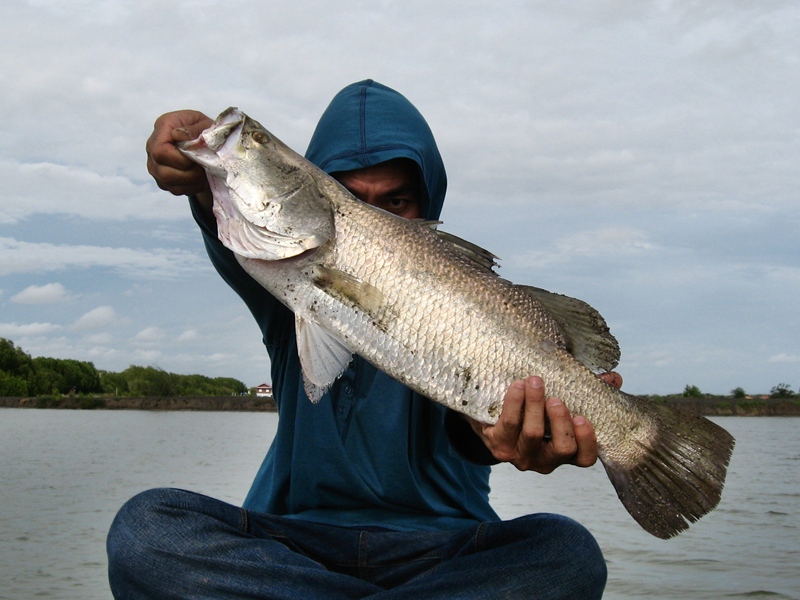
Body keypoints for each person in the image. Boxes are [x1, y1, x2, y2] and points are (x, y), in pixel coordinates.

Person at [108, 80, 618, 599]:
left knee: (566, 553)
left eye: (396, 200)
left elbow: (473, 435)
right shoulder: (279, 284)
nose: (374, 214)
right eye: (351, 198)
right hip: (289, 544)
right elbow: (235, 217)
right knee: (145, 531)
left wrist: (508, 434)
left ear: (428, 205)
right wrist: (199, 176)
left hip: (445, 549)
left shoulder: (475, 308)